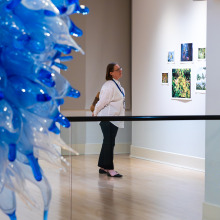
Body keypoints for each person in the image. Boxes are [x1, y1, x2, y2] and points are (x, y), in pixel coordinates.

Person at [93, 62, 125, 177]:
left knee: (108, 143)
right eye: (117, 69)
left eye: (120, 68)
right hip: (108, 118)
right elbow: (102, 101)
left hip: (114, 118)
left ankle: (103, 166)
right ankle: (110, 169)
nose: (120, 71)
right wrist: (95, 113)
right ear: (111, 73)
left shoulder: (118, 85)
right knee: (109, 143)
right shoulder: (109, 85)